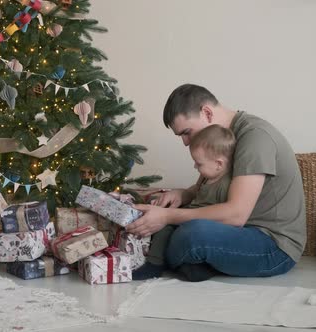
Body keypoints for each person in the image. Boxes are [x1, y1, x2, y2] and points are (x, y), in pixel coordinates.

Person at [127, 84, 306, 282]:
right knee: (168, 221)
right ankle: (192, 262)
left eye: (187, 132)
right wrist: (182, 194)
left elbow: (236, 215)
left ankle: (176, 258)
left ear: (207, 112)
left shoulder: (255, 138)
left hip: (273, 246)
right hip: (240, 231)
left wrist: (167, 217)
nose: (186, 142)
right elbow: (203, 189)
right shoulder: (217, 140)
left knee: (193, 234)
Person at [133, 124, 236, 280]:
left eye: (199, 163)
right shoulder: (207, 177)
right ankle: (179, 262)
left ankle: (155, 265)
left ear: (219, 164)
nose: (195, 166)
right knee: (160, 217)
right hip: (190, 216)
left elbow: (223, 217)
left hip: (204, 224)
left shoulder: (227, 184)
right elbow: (194, 194)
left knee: (165, 228)